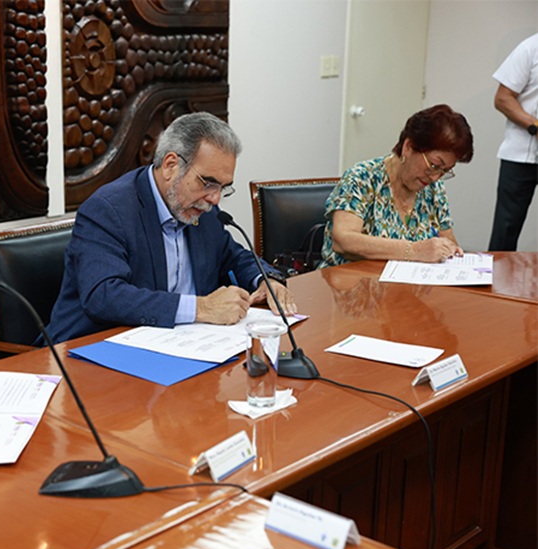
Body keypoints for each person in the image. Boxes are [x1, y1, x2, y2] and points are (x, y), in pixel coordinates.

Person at [44, 111, 296, 344]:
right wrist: (201, 308)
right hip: (90, 350)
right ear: (170, 165)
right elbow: (104, 296)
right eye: (208, 183)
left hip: (180, 344)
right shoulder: (108, 210)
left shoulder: (202, 209)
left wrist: (265, 279)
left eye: (223, 187)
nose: (215, 198)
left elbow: (232, 256)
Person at [319, 104, 474, 268]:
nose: (435, 177)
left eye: (445, 171)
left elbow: (448, 244)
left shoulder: (434, 189)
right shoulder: (362, 178)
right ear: (408, 147)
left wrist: (449, 251)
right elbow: (343, 241)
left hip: (406, 283)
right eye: (434, 165)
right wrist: (414, 251)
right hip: (347, 280)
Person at [488, 33, 538, 251]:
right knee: (505, 232)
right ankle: (497, 273)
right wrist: (534, 126)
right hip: (520, 156)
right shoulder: (530, 49)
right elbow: (502, 98)